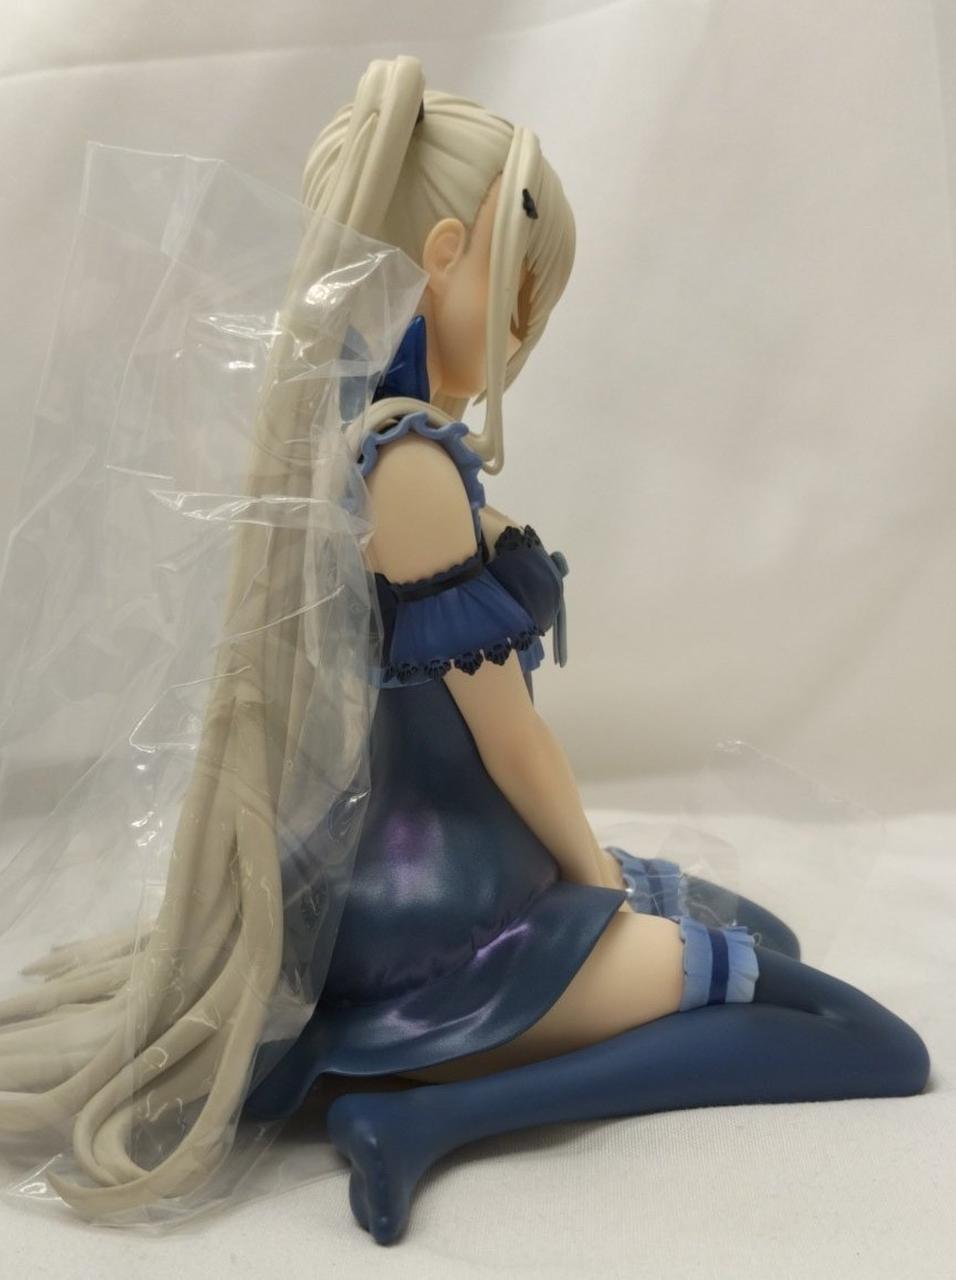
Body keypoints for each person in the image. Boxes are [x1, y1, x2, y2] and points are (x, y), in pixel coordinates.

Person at [240, 55, 930, 1245]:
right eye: (516, 298)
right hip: (447, 919)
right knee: (869, 1036)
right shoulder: (407, 467)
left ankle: (455, 1079)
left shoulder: (344, 431)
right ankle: (430, 1114)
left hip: (422, 866)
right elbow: (510, 737)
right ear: (443, 256)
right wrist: (593, 879)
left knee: (761, 934)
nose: (522, 335)